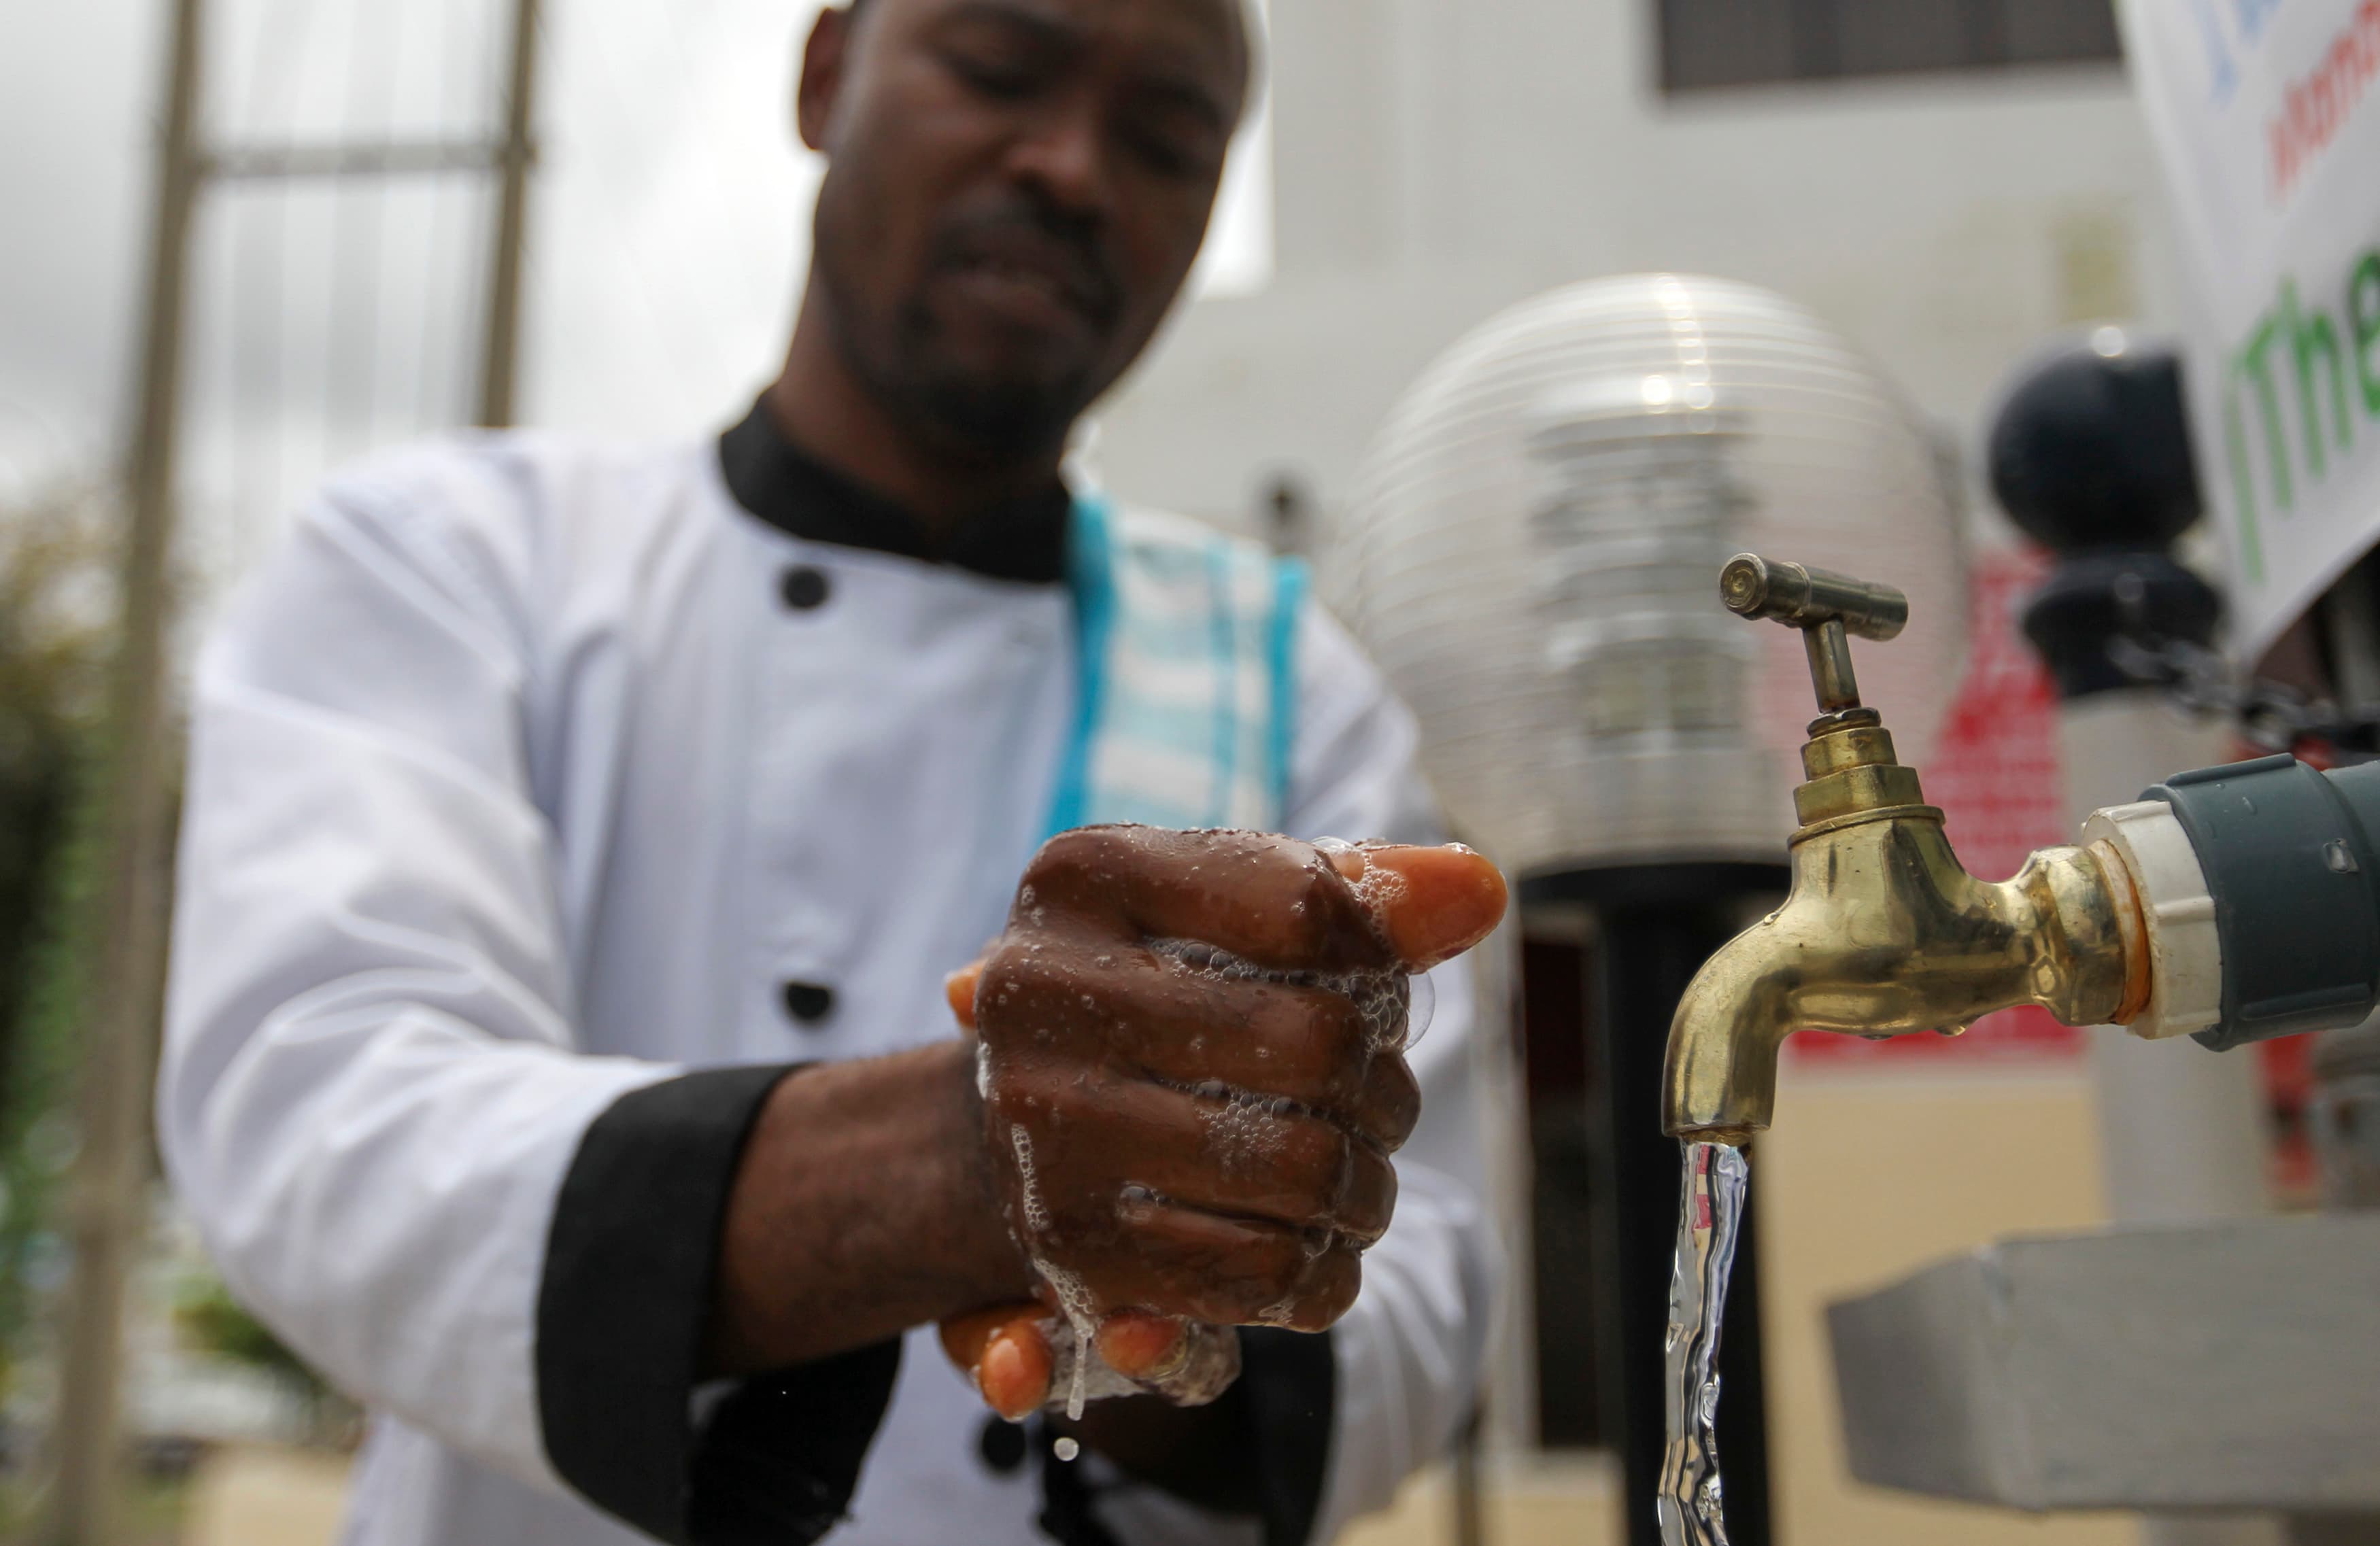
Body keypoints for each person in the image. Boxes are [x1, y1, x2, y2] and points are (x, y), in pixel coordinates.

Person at [157, 1, 1508, 1543]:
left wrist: (1157, 1283)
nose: (1069, 168)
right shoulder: (456, 568)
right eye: (1000, 70)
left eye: (1163, 140)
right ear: (825, 75)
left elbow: (1422, 1294)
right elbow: (324, 1114)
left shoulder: (1297, 693)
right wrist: (953, 1174)